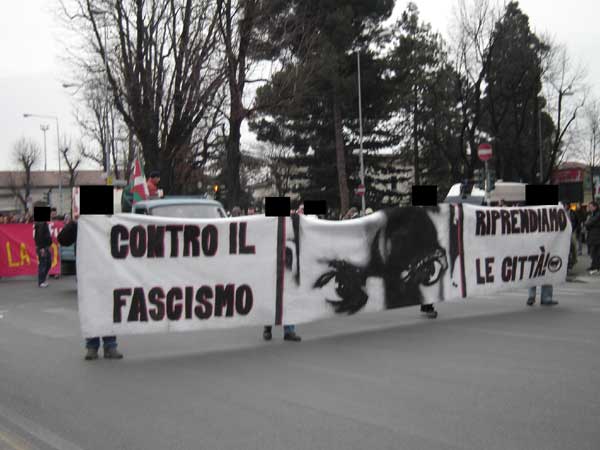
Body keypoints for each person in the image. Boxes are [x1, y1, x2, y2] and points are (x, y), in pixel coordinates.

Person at [57, 219, 124, 360]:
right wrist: (73, 224)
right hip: (87, 274)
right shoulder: (80, 224)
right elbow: (63, 240)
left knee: (108, 309)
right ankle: (92, 346)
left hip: (107, 271)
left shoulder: (110, 222)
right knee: (91, 309)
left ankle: (110, 345)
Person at [34, 212, 53, 288]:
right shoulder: (42, 224)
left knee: (48, 263)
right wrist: (41, 247)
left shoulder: (42, 224)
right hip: (43, 247)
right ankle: (41, 281)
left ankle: (43, 280)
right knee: (43, 264)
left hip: (45, 246)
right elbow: (39, 237)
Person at [585, 201, 600, 274]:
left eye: (590, 207)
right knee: (593, 252)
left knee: (595, 253)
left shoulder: (597, 214)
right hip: (593, 236)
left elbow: (589, 223)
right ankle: (593, 266)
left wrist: (588, 222)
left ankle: (596, 267)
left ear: (595, 207)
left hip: (596, 236)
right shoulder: (593, 214)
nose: (589, 208)